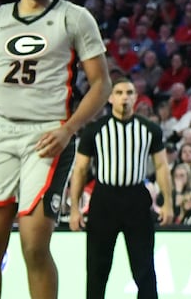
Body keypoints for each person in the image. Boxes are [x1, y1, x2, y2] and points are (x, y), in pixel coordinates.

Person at [0, 0, 110, 299]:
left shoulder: (74, 17)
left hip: (47, 134)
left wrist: (68, 129)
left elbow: (102, 83)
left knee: (34, 246)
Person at [67, 74, 174, 299]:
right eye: (119, 93)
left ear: (136, 97)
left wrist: (167, 203)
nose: (124, 97)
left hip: (136, 198)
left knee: (144, 265)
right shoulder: (95, 130)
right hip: (104, 199)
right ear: (110, 98)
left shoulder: (150, 129)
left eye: (128, 93)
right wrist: (75, 209)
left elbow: (162, 167)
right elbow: (80, 170)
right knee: (97, 266)